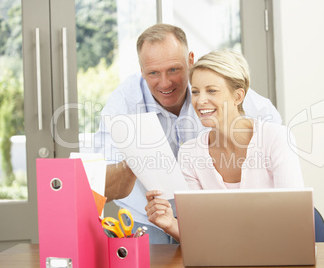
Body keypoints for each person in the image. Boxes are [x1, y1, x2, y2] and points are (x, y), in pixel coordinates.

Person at [94, 23, 282, 244]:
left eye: (174, 69)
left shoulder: (221, 92)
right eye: (153, 73)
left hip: (212, 219)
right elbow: (99, 185)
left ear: (190, 60)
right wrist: (134, 160)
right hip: (147, 220)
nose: (165, 82)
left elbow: (274, 137)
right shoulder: (124, 102)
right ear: (141, 68)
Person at [144, 50, 304, 242]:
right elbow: (198, 233)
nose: (200, 100)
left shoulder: (276, 139)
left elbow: (293, 222)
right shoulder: (190, 153)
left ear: (238, 97)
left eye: (211, 90)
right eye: (195, 91)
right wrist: (170, 224)